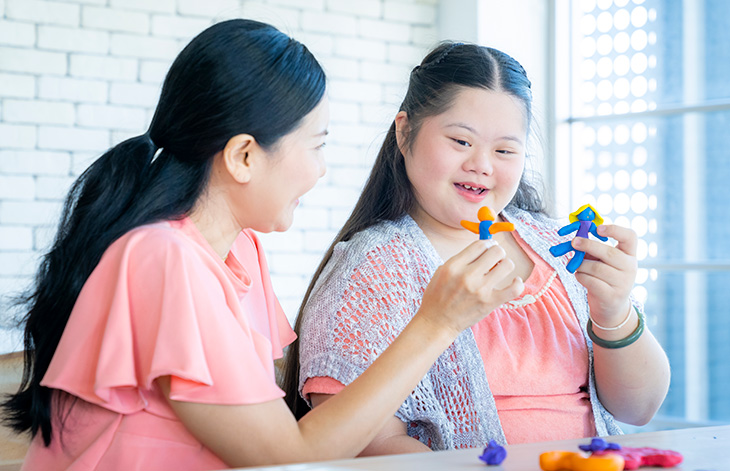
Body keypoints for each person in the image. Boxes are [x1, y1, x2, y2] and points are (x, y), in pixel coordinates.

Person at [0, 23, 523, 470]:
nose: (320, 170)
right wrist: (437, 323)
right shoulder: (160, 258)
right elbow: (289, 457)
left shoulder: (237, 249)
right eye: (316, 146)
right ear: (244, 157)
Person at [284, 42, 671, 454]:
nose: (482, 165)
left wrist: (615, 311)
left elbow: (639, 408)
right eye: (461, 141)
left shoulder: (558, 245)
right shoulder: (370, 270)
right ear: (404, 131)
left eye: (504, 150)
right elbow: (361, 446)